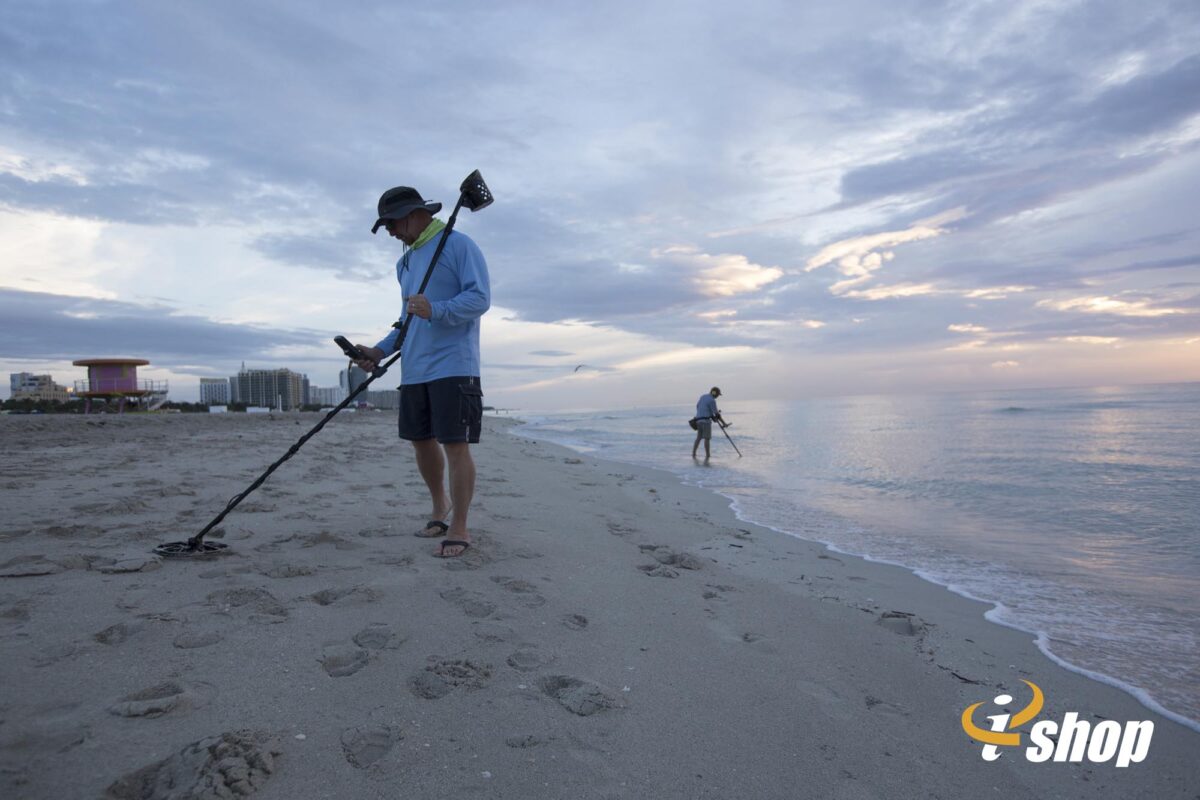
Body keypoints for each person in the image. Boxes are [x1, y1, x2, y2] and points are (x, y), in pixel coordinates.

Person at [352, 185, 491, 558]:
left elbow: (480, 299)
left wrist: (438, 309)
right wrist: (378, 351)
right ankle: (438, 507)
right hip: (414, 369)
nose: (390, 232)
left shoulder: (458, 245)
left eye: (392, 223)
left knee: (455, 445)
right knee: (421, 441)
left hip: (453, 364)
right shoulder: (406, 263)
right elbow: (406, 319)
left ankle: (460, 526)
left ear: (415, 214)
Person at [692, 386, 727, 462]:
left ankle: (693, 453)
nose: (718, 396)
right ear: (714, 393)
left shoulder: (703, 396)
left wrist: (702, 413)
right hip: (705, 422)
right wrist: (724, 423)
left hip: (698, 420)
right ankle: (708, 455)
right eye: (718, 394)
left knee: (699, 438)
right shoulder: (712, 400)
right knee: (707, 438)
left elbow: (697, 406)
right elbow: (716, 414)